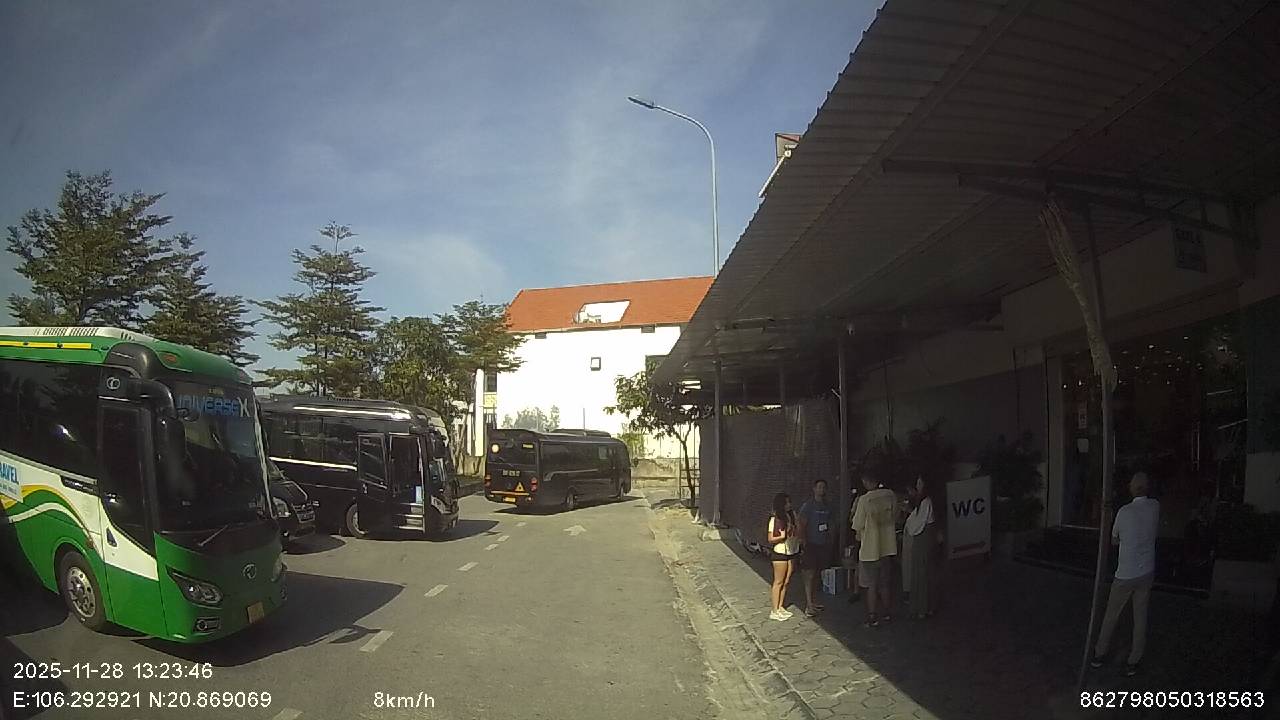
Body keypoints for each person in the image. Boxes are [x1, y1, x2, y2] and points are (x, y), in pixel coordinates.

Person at [1091, 471, 1160, 676]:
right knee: (1140, 616)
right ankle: (1134, 659)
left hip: (1126, 572)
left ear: (1132, 488)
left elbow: (1113, 540)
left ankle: (1100, 653)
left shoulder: (1124, 512)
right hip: (1146, 570)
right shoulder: (1155, 506)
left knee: (1111, 614)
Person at [851, 470, 898, 627]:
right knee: (885, 583)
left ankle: (872, 616)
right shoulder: (890, 495)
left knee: (872, 584)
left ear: (866, 481)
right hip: (888, 547)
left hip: (870, 548)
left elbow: (857, 524)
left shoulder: (865, 500)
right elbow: (896, 515)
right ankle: (887, 613)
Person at [798, 479, 834, 617]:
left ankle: (814, 601)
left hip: (822, 544)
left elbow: (830, 523)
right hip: (810, 544)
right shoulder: (808, 506)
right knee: (809, 574)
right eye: (819, 487)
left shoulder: (827, 506)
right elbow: (801, 524)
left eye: (823, 487)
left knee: (818, 574)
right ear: (814, 489)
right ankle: (808, 605)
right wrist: (803, 541)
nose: (821, 490)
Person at [905, 476, 938, 619]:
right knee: (923, 570)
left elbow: (918, 523)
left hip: (923, 537)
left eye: (920, 483)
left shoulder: (926, 501)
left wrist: (909, 518)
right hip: (923, 537)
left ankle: (923, 607)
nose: (917, 486)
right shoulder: (923, 501)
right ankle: (924, 606)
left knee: (922, 571)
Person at [767, 492, 801, 621]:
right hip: (780, 551)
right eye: (786, 503)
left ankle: (780, 606)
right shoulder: (775, 519)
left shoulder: (791, 516)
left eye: (789, 502)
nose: (789, 505)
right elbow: (770, 538)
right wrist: (783, 536)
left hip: (792, 550)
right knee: (779, 581)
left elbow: (797, 530)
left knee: (786, 581)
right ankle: (774, 610)